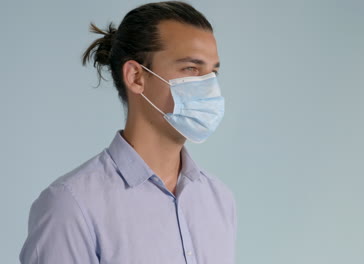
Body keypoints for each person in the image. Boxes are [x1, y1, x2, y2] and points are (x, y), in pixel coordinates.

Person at [19, 1, 237, 263]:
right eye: (191, 69)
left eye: (212, 73)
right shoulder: (71, 206)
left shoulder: (218, 198)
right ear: (136, 76)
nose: (209, 87)